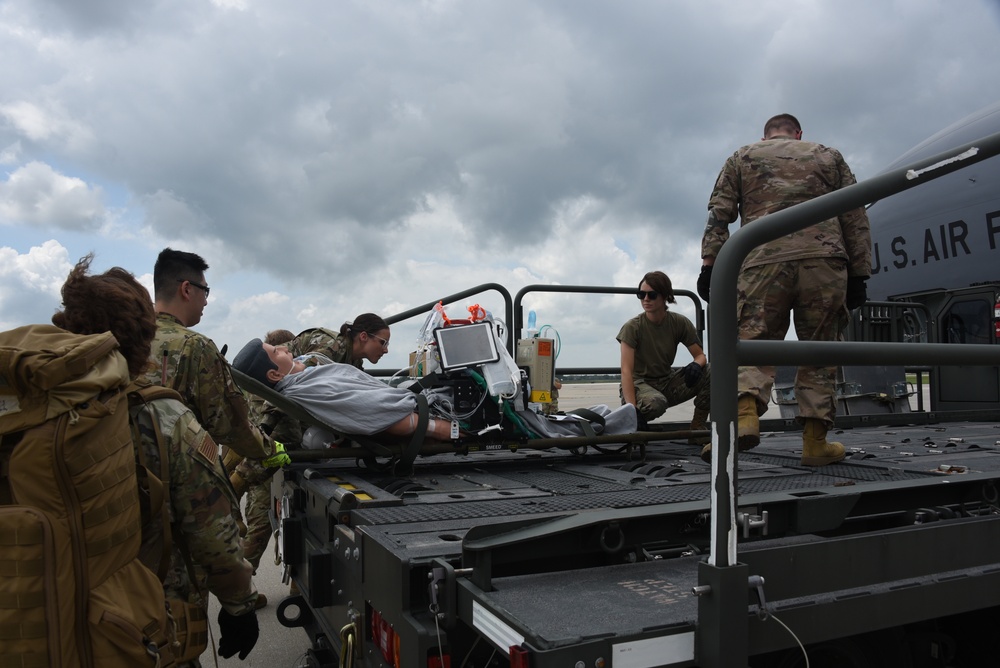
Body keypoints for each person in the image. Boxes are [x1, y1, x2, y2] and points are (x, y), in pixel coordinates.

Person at [52, 255, 259, 665]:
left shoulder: (28, 409)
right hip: (141, 618)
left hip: (41, 613)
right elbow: (214, 534)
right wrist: (239, 605)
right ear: (139, 335)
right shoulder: (161, 418)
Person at [698, 113, 871, 466]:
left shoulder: (743, 156)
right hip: (824, 261)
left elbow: (720, 213)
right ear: (798, 134)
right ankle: (815, 443)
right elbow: (855, 216)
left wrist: (710, 266)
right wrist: (860, 274)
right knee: (820, 349)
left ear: (765, 137)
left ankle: (745, 416)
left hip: (762, 258)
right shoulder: (829, 155)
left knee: (752, 339)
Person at [142, 248, 273, 461]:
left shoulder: (129, 337)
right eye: (205, 290)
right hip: (173, 477)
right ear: (187, 289)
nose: (205, 301)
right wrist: (272, 450)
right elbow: (232, 427)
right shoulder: (196, 347)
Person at [234, 338, 457, 440]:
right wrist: (433, 423)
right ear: (275, 375)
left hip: (408, 402)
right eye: (276, 352)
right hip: (416, 411)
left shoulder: (307, 378)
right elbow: (372, 409)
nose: (284, 347)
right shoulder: (310, 389)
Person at [617, 271, 711, 446]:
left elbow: (700, 355)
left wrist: (696, 365)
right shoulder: (632, 328)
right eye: (641, 294)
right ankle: (631, 421)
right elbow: (626, 371)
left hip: (666, 383)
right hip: (639, 385)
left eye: (651, 295)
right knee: (655, 403)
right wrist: (632, 409)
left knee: (712, 371)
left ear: (665, 296)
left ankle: (697, 428)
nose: (645, 299)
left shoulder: (679, 323)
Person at [287, 313, 391, 369]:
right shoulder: (331, 347)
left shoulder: (355, 360)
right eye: (383, 343)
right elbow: (298, 378)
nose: (386, 350)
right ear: (363, 336)